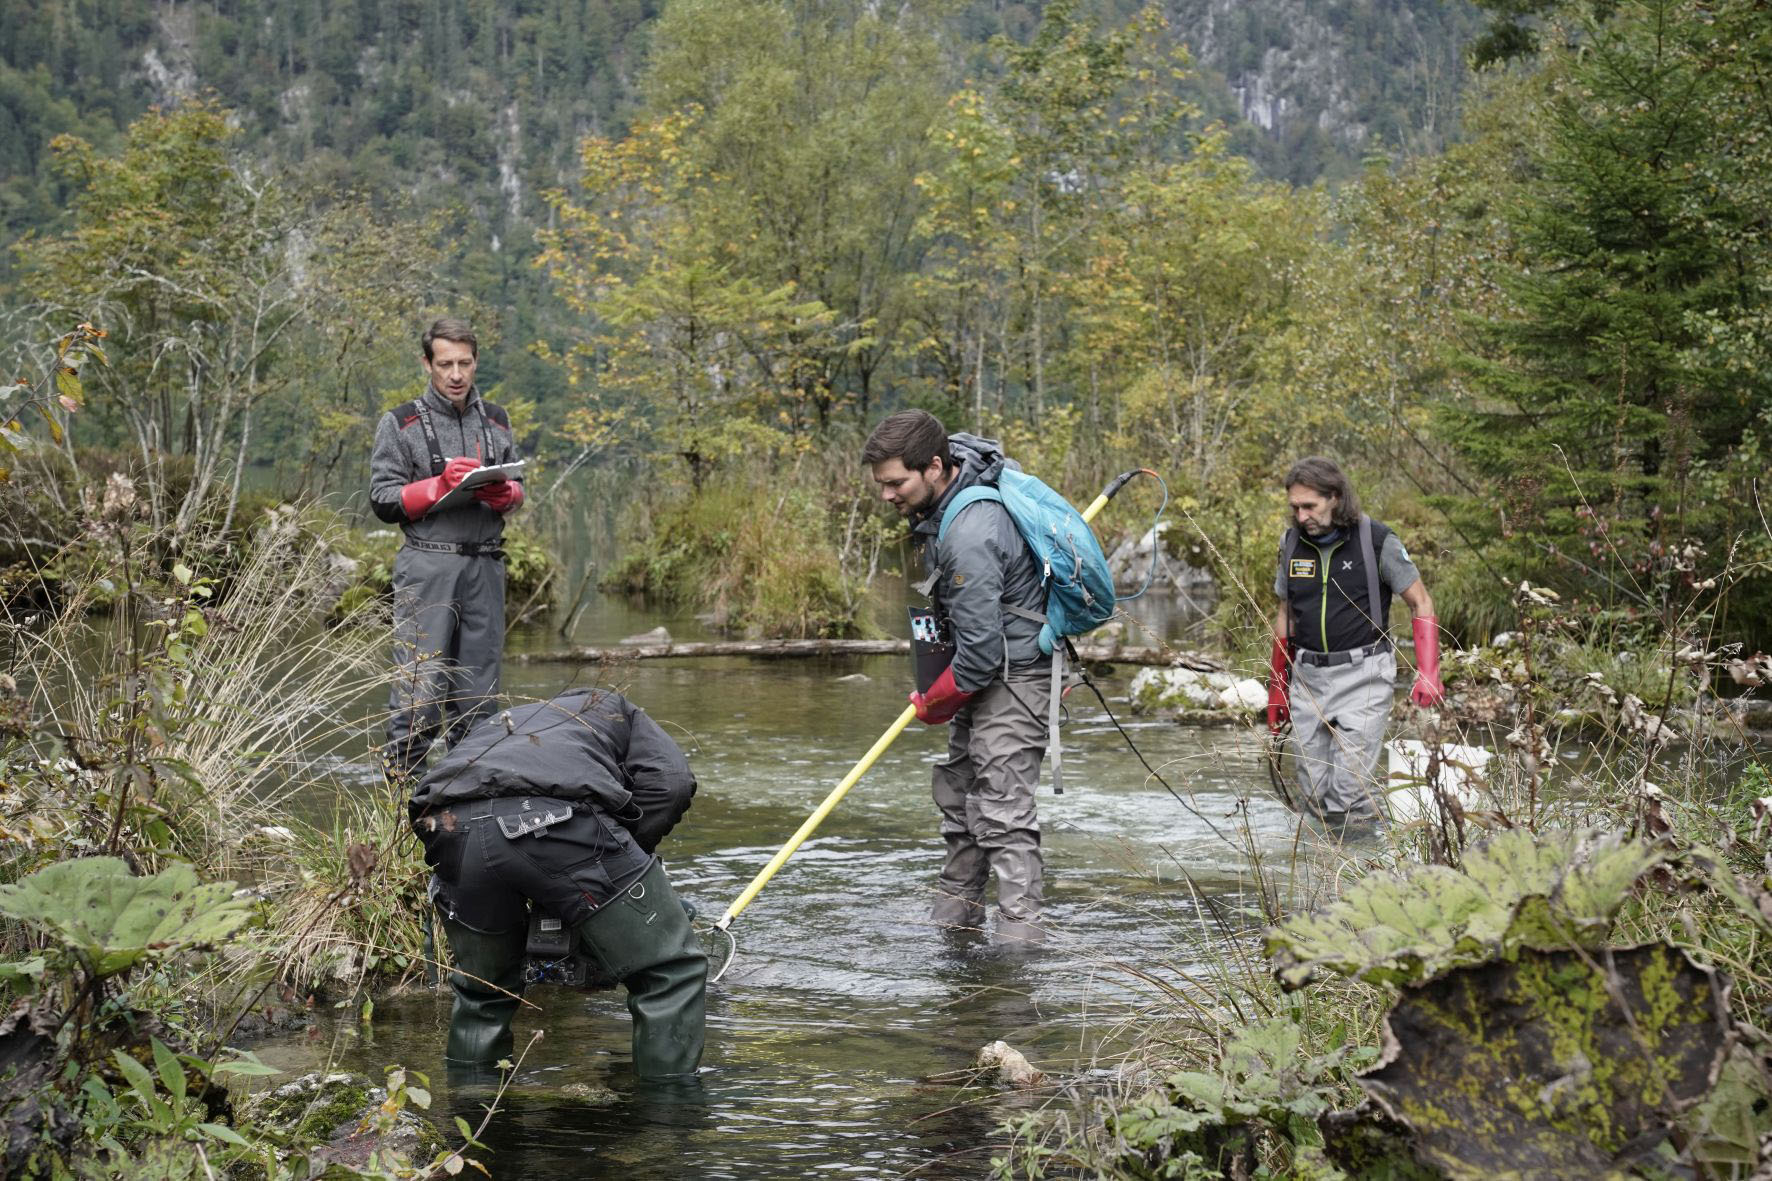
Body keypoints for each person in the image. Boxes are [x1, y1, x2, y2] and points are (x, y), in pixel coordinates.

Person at [408, 687, 706, 1080]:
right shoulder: (618, 708)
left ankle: (471, 1108)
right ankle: (669, 1116)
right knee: (672, 972)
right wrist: (629, 861)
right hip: (554, 816)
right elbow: (671, 784)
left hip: (448, 827)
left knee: (483, 990)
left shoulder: (506, 721)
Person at [863, 410, 1051, 946]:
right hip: (985, 675)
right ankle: (955, 928)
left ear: (936, 467)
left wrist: (936, 700)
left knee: (1003, 811)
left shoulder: (970, 528)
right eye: (881, 485)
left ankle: (1021, 951)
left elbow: (982, 652)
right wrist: (940, 691)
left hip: (1014, 678)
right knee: (961, 801)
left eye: (896, 483)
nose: (887, 496)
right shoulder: (944, 506)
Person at [369, 318, 525, 780]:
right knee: (420, 689)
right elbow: (382, 500)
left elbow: (517, 485)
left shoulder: (497, 419)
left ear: (476, 362)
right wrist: (436, 485)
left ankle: (469, 797)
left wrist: (509, 495)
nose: (456, 374)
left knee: (480, 693)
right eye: (445, 364)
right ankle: (400, 802)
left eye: (465, 363)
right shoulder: (400, 422)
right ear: (427, 364)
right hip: (427, 564)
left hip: (486, 564)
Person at [1265, 456, 1445, 831]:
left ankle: (1362, 876)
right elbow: (1285, 615)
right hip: (1308, 676)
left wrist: (1429, 672)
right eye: (1294, 507)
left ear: (1335, 497)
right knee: (1313, 791)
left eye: (1309, 506)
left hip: (1365, 674)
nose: (1301, 517)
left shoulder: (1377, 540)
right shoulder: (1291, 543)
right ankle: (1321, 874)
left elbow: (1421, 602)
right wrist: (1277, 689)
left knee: (1347, 793)